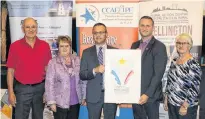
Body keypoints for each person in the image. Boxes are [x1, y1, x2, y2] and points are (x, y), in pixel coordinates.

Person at [7, 17, 52, 119]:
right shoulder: (15, 46)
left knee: (39, 117)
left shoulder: (44, 46)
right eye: (27, 27)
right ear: (23, 29)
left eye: (33, 27)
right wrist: (10, 92)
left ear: (36, 29)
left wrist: (47, 91)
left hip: (40, 89)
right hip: (22, 89)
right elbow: (10, 71)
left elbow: (48, 70)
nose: (31, 30)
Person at [131, 16, 167, 119]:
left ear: (153, 28)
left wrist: (147, 94)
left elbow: (158, 74)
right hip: (135, 95)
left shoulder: (159, 46)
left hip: (151, 97)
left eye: (148, 26)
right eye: (142, 25)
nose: (145, 28)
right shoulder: (134, 45)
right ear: (139, 27)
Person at [80, 23, 117, 119]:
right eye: (95, 33)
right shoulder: (86, 52)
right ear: (93, 35)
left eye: (101, 32)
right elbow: (82, 74)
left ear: (106, 34)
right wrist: (94, 70)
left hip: (111, 95)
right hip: (93, 96)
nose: (98, 35)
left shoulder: (115, 51)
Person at [45, 36, 86, 119]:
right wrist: (52, 102)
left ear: (70, 47)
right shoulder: (53, 63)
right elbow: (49, 83)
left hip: (75, 101)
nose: (64, 48)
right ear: (58, 48)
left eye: (66, 46)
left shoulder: (78, 60)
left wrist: (84, 96)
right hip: (60, 103)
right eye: (61, 46)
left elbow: (83, 80)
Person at [163, 33, 202, 119]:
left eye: (184, 43)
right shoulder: (174, 61)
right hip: (172, 104)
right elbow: (170, 82)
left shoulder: (193, 64)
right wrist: (166, 98)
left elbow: (195, 89)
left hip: (186, 108)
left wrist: (185, 105)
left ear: (189, 45)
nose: (181, 45)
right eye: (178, 43)